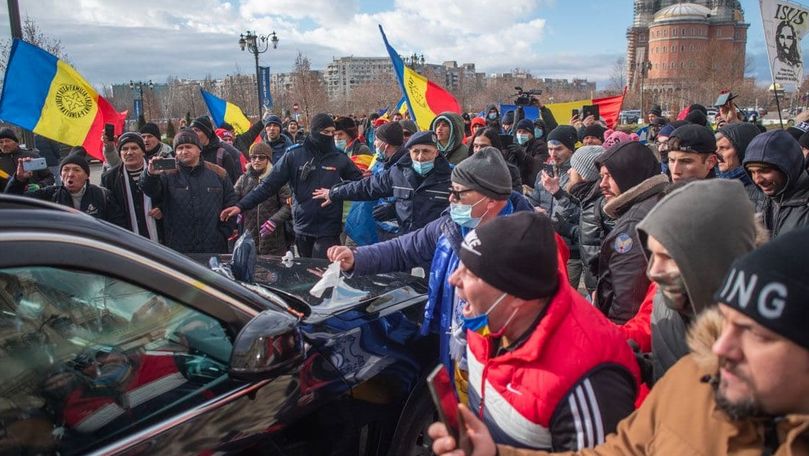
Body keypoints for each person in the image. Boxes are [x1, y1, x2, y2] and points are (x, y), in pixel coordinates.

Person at [430, 228, 809, 456]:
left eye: (757, 334)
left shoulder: (586, 374)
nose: (722, 349)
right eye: (725, 323)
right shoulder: (692, 380)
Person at [326, 148, 533, 378]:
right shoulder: (450, 225)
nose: (451, 199)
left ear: (491, 199)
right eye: (451, 192)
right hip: (452, 341)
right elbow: (404, 248)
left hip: (499, 363)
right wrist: (357, 257)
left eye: (459, 193)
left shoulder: (528, 246)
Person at [441, 212, 640, 451]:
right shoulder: (487, 318)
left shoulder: (588, 380)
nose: (453, 279)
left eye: (471, 273)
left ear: (515, 296)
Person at [637, 179, 761, 382]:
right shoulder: (664, 300)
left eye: (668, 257)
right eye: (652, 255)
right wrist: (640, 366)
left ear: (710, 257)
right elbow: (670, 366)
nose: (653, 272)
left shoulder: (765, 331)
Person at [220, 113, 363, 259]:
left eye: (332, 132)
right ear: (314, 131)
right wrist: (241, 206)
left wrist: (337, 191)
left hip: (329, 228)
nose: (330, 136)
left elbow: (360, 184)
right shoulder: (294, 156)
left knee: (323, 272)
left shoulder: (340, 158)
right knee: (306, 272)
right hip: (302, 227)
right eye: (325, 132)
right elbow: (268, 185)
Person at [314, 130, 450, 235]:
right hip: (407, 243)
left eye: (426, 151)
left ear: (436, 152)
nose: (420, 157)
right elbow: (367, 187)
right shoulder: (398, 172)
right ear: (409, 152)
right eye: (416, 152)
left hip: (437, 244)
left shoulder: (451, 178)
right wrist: (334, 193)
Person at [595, 142, 667, 324]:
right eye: (601, 177)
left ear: (629, 174)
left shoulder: (633, 224)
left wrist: (617, 337)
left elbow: (628, 299)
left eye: (609, 176)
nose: (602, 184)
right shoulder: (655, 200)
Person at [140, 129, 237, 254]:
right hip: (179, 247)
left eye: (188, 147)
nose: (184, 151)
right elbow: (151, 191)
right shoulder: (167, 174)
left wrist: (223, 233)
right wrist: (150, 174)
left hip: (213, 246)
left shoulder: (218, 173)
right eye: (180, 148)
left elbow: (230, 203)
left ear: (199, 149)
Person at [548, 145, 608, 294]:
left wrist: (569, 230)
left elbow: (599, 242)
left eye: (573, 168)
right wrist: (558, 193)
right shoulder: (589, 198)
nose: (569, 171)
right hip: (596, 286)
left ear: (584, 174)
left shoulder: (602, 204)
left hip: (603, 288)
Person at [7, 151, 114, 221]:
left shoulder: (103, 195)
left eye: (76, 170)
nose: (70, 174)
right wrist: (19, 179)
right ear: (61, 176)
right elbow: (10, 202)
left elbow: (118, 227)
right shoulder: (50, 195)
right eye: (66, 170)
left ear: (87, 175)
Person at [742, 129, 809, 237]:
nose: (757, 180)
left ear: (788, 167)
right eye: (752, 172)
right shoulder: (750, 198)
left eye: (764, 171)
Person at [100, 132, 162, 242]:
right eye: (124, 149)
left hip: (160, 237)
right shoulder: (109, 178)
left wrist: (162, 209)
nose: (129, 152)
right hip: (126, 240)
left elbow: (172, 198)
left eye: (134, 148)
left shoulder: (159, 171)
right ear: (119, 153)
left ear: (143, 151)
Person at [234, 142, 292, 256]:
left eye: (261, 157)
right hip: (248, 236)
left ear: (268, 159)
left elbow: (288, 204)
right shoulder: (243, 179)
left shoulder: (277, 179)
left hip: (274, 239)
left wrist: (274, 221)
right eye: (253, 157)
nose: (257, 160)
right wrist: (237, 209)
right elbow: (233, 197)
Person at [715, 122, 765, 212]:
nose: (716, 154)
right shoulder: (716, 184)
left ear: (743, 150)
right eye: (716, 148)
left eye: (723, 148)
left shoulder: (763, 190)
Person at [189, 116, 241, 183]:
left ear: (207, 133)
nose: (193, 134)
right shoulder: (190, 153)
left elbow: (232, 184)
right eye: (191, 130)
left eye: (197, 130)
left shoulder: (222, 154)